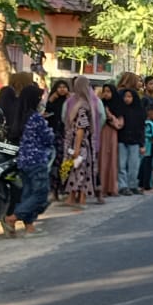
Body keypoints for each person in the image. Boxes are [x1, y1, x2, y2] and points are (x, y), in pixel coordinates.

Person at [5, 85, 53, 235]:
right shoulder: (36, 118)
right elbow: (48, 138)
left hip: (23, 160)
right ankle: (13, 217)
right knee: (40, 195)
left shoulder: (19, 116)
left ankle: (29, 227)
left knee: (27, 194)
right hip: (37, 159)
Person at [62, 76, 100, 208]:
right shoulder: (86, 103)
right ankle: (74, 197)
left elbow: (81, 128)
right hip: (81, 143)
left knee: (79, 169)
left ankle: (79, 197)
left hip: (79, 143)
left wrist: (77, 147)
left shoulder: (81, 106)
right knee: (78, 169)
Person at [111, 84, 145, 195]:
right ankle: (123, 186)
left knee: (134, 165)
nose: (127, 99)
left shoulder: (139, 111)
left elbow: (141, 127)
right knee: (122, 165)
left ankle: (133, 185)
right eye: (125, 96)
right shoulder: (120, 110)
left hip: (135, 141)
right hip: (122, 140)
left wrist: (142, 144)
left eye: (130, 97)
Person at [97, 83, 121, 197]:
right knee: (103, 159)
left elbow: (119, 124)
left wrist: (110, 115)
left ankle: (112, 187)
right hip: (102, 133)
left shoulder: (117, 106)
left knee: (112, 159)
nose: (106, 94)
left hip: (112, 134)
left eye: (108, 91)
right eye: (104, 91)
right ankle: (102, 188)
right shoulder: (100, 104)